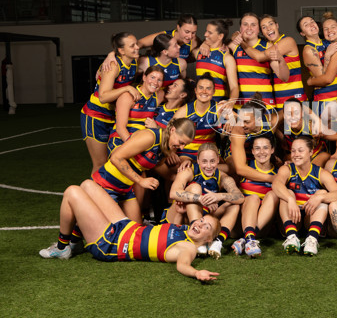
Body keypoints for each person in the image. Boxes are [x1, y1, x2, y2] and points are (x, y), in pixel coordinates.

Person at [39, 179, 221, 281]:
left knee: (72, 190)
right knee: (87, 185)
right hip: (126, 227)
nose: (200, 224)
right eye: (202, 220)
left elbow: (183, 265)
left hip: (112, 244)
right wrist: (181, 212)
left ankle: (63, 248)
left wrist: (197, 273)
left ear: (208, 240)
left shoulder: (188, 248)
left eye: (207, 227)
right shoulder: (184, 227)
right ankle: (76, 243)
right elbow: (170, 223)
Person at [91, 118, 195, 223]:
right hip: (107, 182)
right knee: (97, 228)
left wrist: (179, 177)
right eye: (181, 142)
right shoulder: (150, 137)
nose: (181, 147)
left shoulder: (167, 146)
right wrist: (141, 180)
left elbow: (157, 166)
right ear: (172, 130)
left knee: (135, 230)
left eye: (185, 145)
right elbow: (116, 157)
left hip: (126, 188)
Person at [166, 142, 243, 259]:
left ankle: (217, 242)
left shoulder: (222, 176)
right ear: (197, 160)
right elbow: (173, 192)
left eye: (212, 161)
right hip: (179, 215)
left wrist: (219, 196)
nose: (208, 166)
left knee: (234, 205)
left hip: (204, 218)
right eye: (204, 161)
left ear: (218, 160)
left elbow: (240, 197)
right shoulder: (188, 170)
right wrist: (200, 199)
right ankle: (197, 238)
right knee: (195, 188)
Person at [271, 136, 337, 255]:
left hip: (310, 218)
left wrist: (320, 197)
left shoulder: (320, 172)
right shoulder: (287, 169)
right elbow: (276, 184)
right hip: (291, 218)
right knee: (287, 193)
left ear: (311, 152)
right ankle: (292, 237)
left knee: (323, 193)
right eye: (293, 150)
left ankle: (312, 238)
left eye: (300, 150)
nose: (295, 154)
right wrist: (290, 199)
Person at [81, 32, 140, 174]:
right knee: (100, 163)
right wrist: (126, 88)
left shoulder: (134, 62)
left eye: (136, 44)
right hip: (95, 115)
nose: (137, 47)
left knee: (112, 160)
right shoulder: (113, 66)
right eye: (132, 46)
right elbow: (103, 97)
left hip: (111, 116)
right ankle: (93, 195)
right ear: (121, 50)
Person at [231, 135, 280, 257]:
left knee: (274, 194)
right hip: (241, 221)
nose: (262, 152)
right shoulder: (245, 168)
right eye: (257, 148)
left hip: (263, 225)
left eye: (265, 148)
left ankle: (247, 238)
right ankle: (249, 238)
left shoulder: (279, 173)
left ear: (272, 150)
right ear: (252, 151)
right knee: (253, 198)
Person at [228, 12, 288, 108]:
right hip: (242, 105)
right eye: (245, 24)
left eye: (253, 25)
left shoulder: (268, 46)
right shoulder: (233, 46)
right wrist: (204, 44)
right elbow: (215, 48)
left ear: (258, 29)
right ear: (240, 28)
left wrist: (281, 60)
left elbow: (284, 77)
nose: (249, 28)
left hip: (265, 103)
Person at [107, 66, 164, 155]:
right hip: (121, 140)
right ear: (144, 77)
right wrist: (134, 147)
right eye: (152, 77)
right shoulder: (128, 96)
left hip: (142, 141)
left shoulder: (159, 95)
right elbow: (120, 129)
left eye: (159, 80)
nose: (155, 82)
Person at [257, 14, 305, 110]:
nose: (268, 28)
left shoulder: (288, 41)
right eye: (264, 27)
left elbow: (259, 57)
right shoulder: (267, 46)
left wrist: (242, 42)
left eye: (271, 24)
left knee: (301, 125)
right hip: (279, 97)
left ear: (277, 25)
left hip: (295, 95)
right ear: (261, 32)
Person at [280, 97, 337, 167]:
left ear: (302, 114)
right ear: (284, 116)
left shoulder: (312, 127)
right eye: (289, 114)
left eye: (296, 113)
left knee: (314, 166)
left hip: (317, 155)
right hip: (299, 158)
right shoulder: (284, 129)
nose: (293, 117)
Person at [298, 15, 337, 114]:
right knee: (327, 129)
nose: (311, 25)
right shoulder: (309, 50)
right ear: (302, 33)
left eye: (312, 21)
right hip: (325, 98)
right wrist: (327, 56)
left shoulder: (327, 42)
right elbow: (323, 79)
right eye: (306, 25)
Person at [194, 20, 239, 102]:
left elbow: (234, 87)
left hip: (218, 105)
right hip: (199, 105)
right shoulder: (198, 51)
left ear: (220, 36)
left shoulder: (227, 58)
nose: (205, 34)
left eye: (210, 32)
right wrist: (204, 43)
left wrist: (230, 104)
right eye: (206, 31)